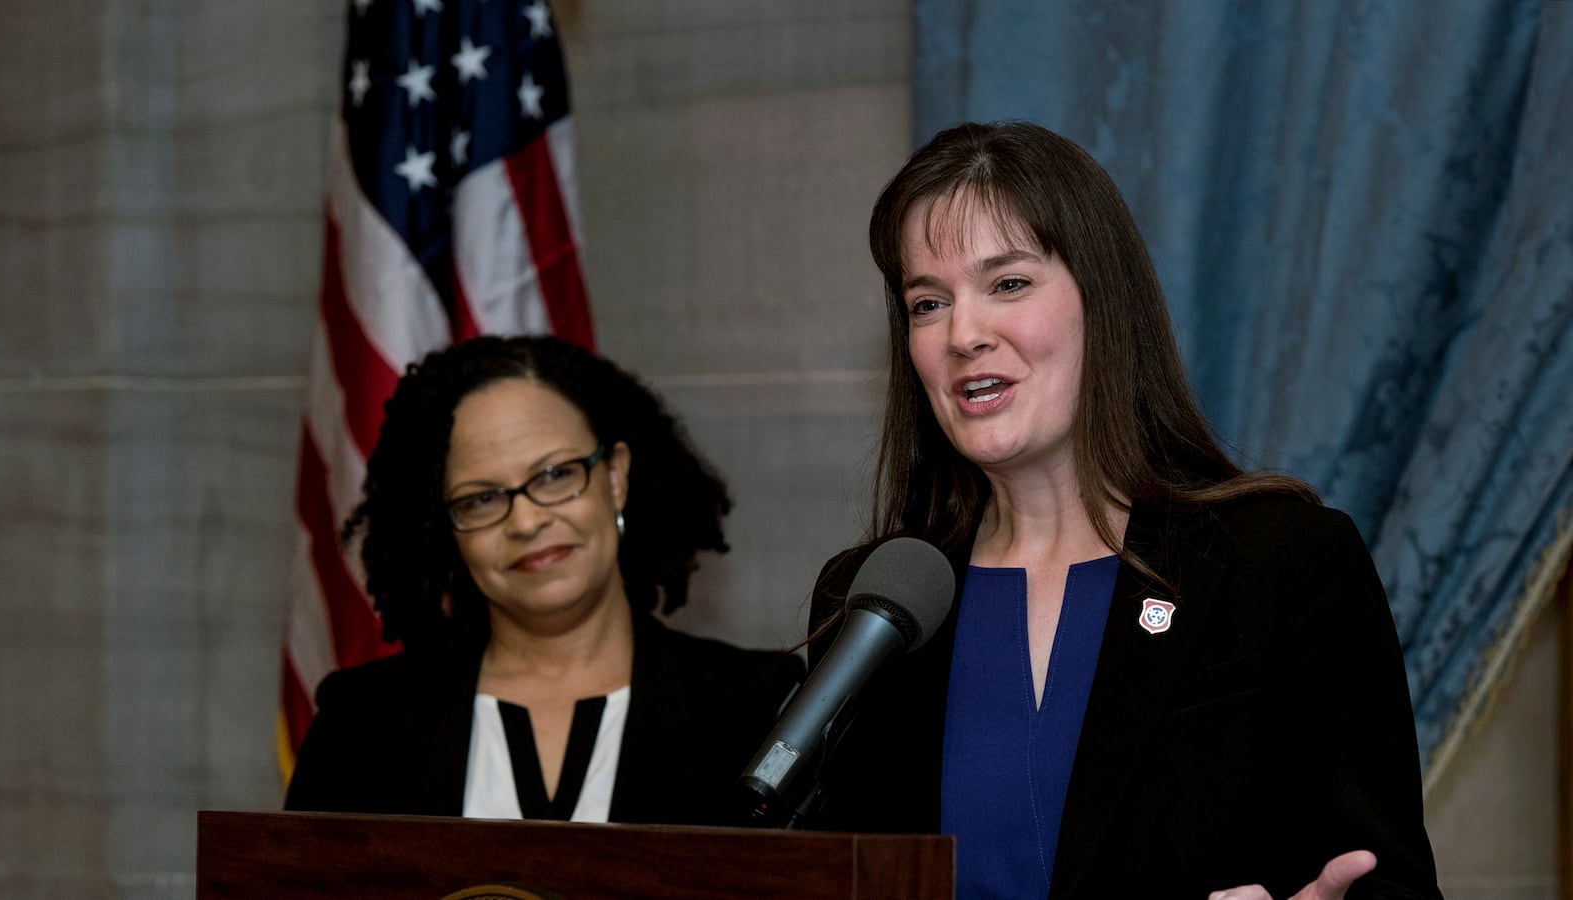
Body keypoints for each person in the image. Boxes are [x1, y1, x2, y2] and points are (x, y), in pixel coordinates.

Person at [801, 122, 1442, 899]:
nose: (964, 335)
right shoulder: (877, 606)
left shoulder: (1281, 563)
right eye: (928, 303)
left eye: (1008, 284)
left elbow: (1385, 881)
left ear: (1102, 301)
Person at [285, 335, 803, 825]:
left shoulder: (758, 711)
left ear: (616, 477)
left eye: (555, 474)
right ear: (444, 528)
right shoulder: (359, 723)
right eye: (482, 498)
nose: (526, 522)